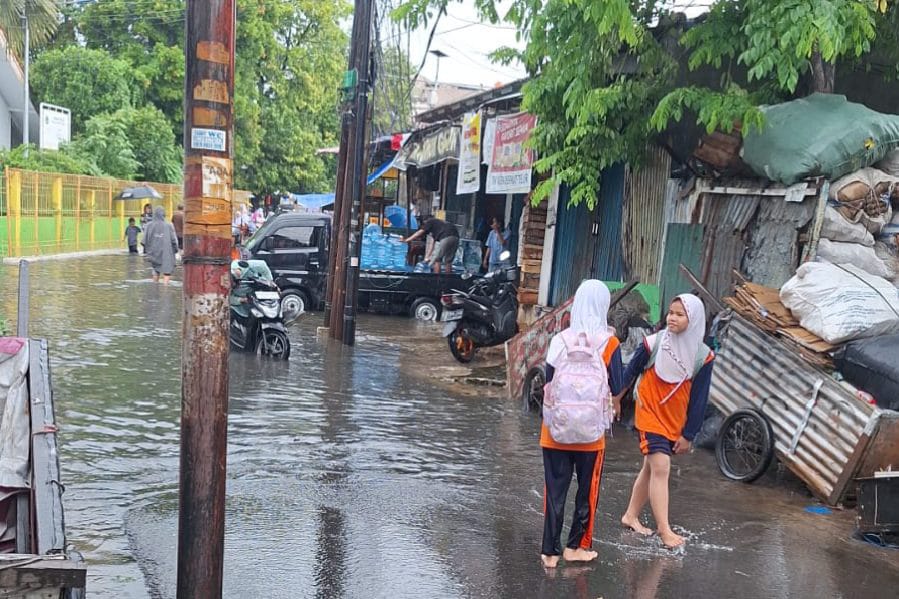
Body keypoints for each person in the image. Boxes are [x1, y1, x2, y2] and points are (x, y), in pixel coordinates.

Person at [619, 294, 715, 549]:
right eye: (670, 313)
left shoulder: (703, 357)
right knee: (661, 466)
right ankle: (665, 531)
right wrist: (615, 398)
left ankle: (631, 515)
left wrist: (689, 435)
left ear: (693, 320)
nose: (672, 318)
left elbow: (699, 399)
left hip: (674, 419)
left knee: (650, 468)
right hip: (649, 412)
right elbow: (630, 372)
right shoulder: (653, 343)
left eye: (679, 314)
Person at [540, 280, 623, 569]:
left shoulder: (559, 339)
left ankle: (549, 553)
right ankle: (576, 547)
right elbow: (619, 384)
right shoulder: (610, 343)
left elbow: (548, 383)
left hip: (555, 432)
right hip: (590, 435)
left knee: (555, 490)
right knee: (587, 490)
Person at [143, 206, 179, 284]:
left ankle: (155, 285)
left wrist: (148, 251)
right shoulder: (169, 225)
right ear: (164, 214)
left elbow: (144, 241)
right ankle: (165, 288)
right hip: (166, 253)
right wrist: (175, 250)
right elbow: (174, 240)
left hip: (153, 252)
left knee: (155, 269)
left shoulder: (148, 225)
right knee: (167, 271)